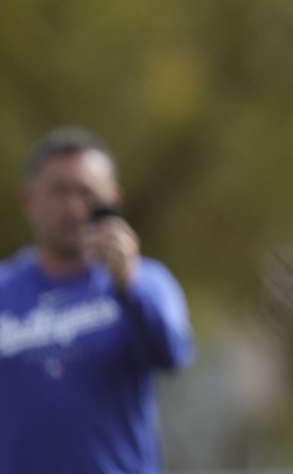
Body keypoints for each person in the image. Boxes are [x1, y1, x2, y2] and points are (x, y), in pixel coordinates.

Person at [0, 127, 194, 474]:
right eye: (59, 191)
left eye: (87, 193)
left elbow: (173, 353)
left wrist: (128, 285)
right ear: (29, 199)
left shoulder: (147, 282)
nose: (73, 207)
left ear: (112, 201)